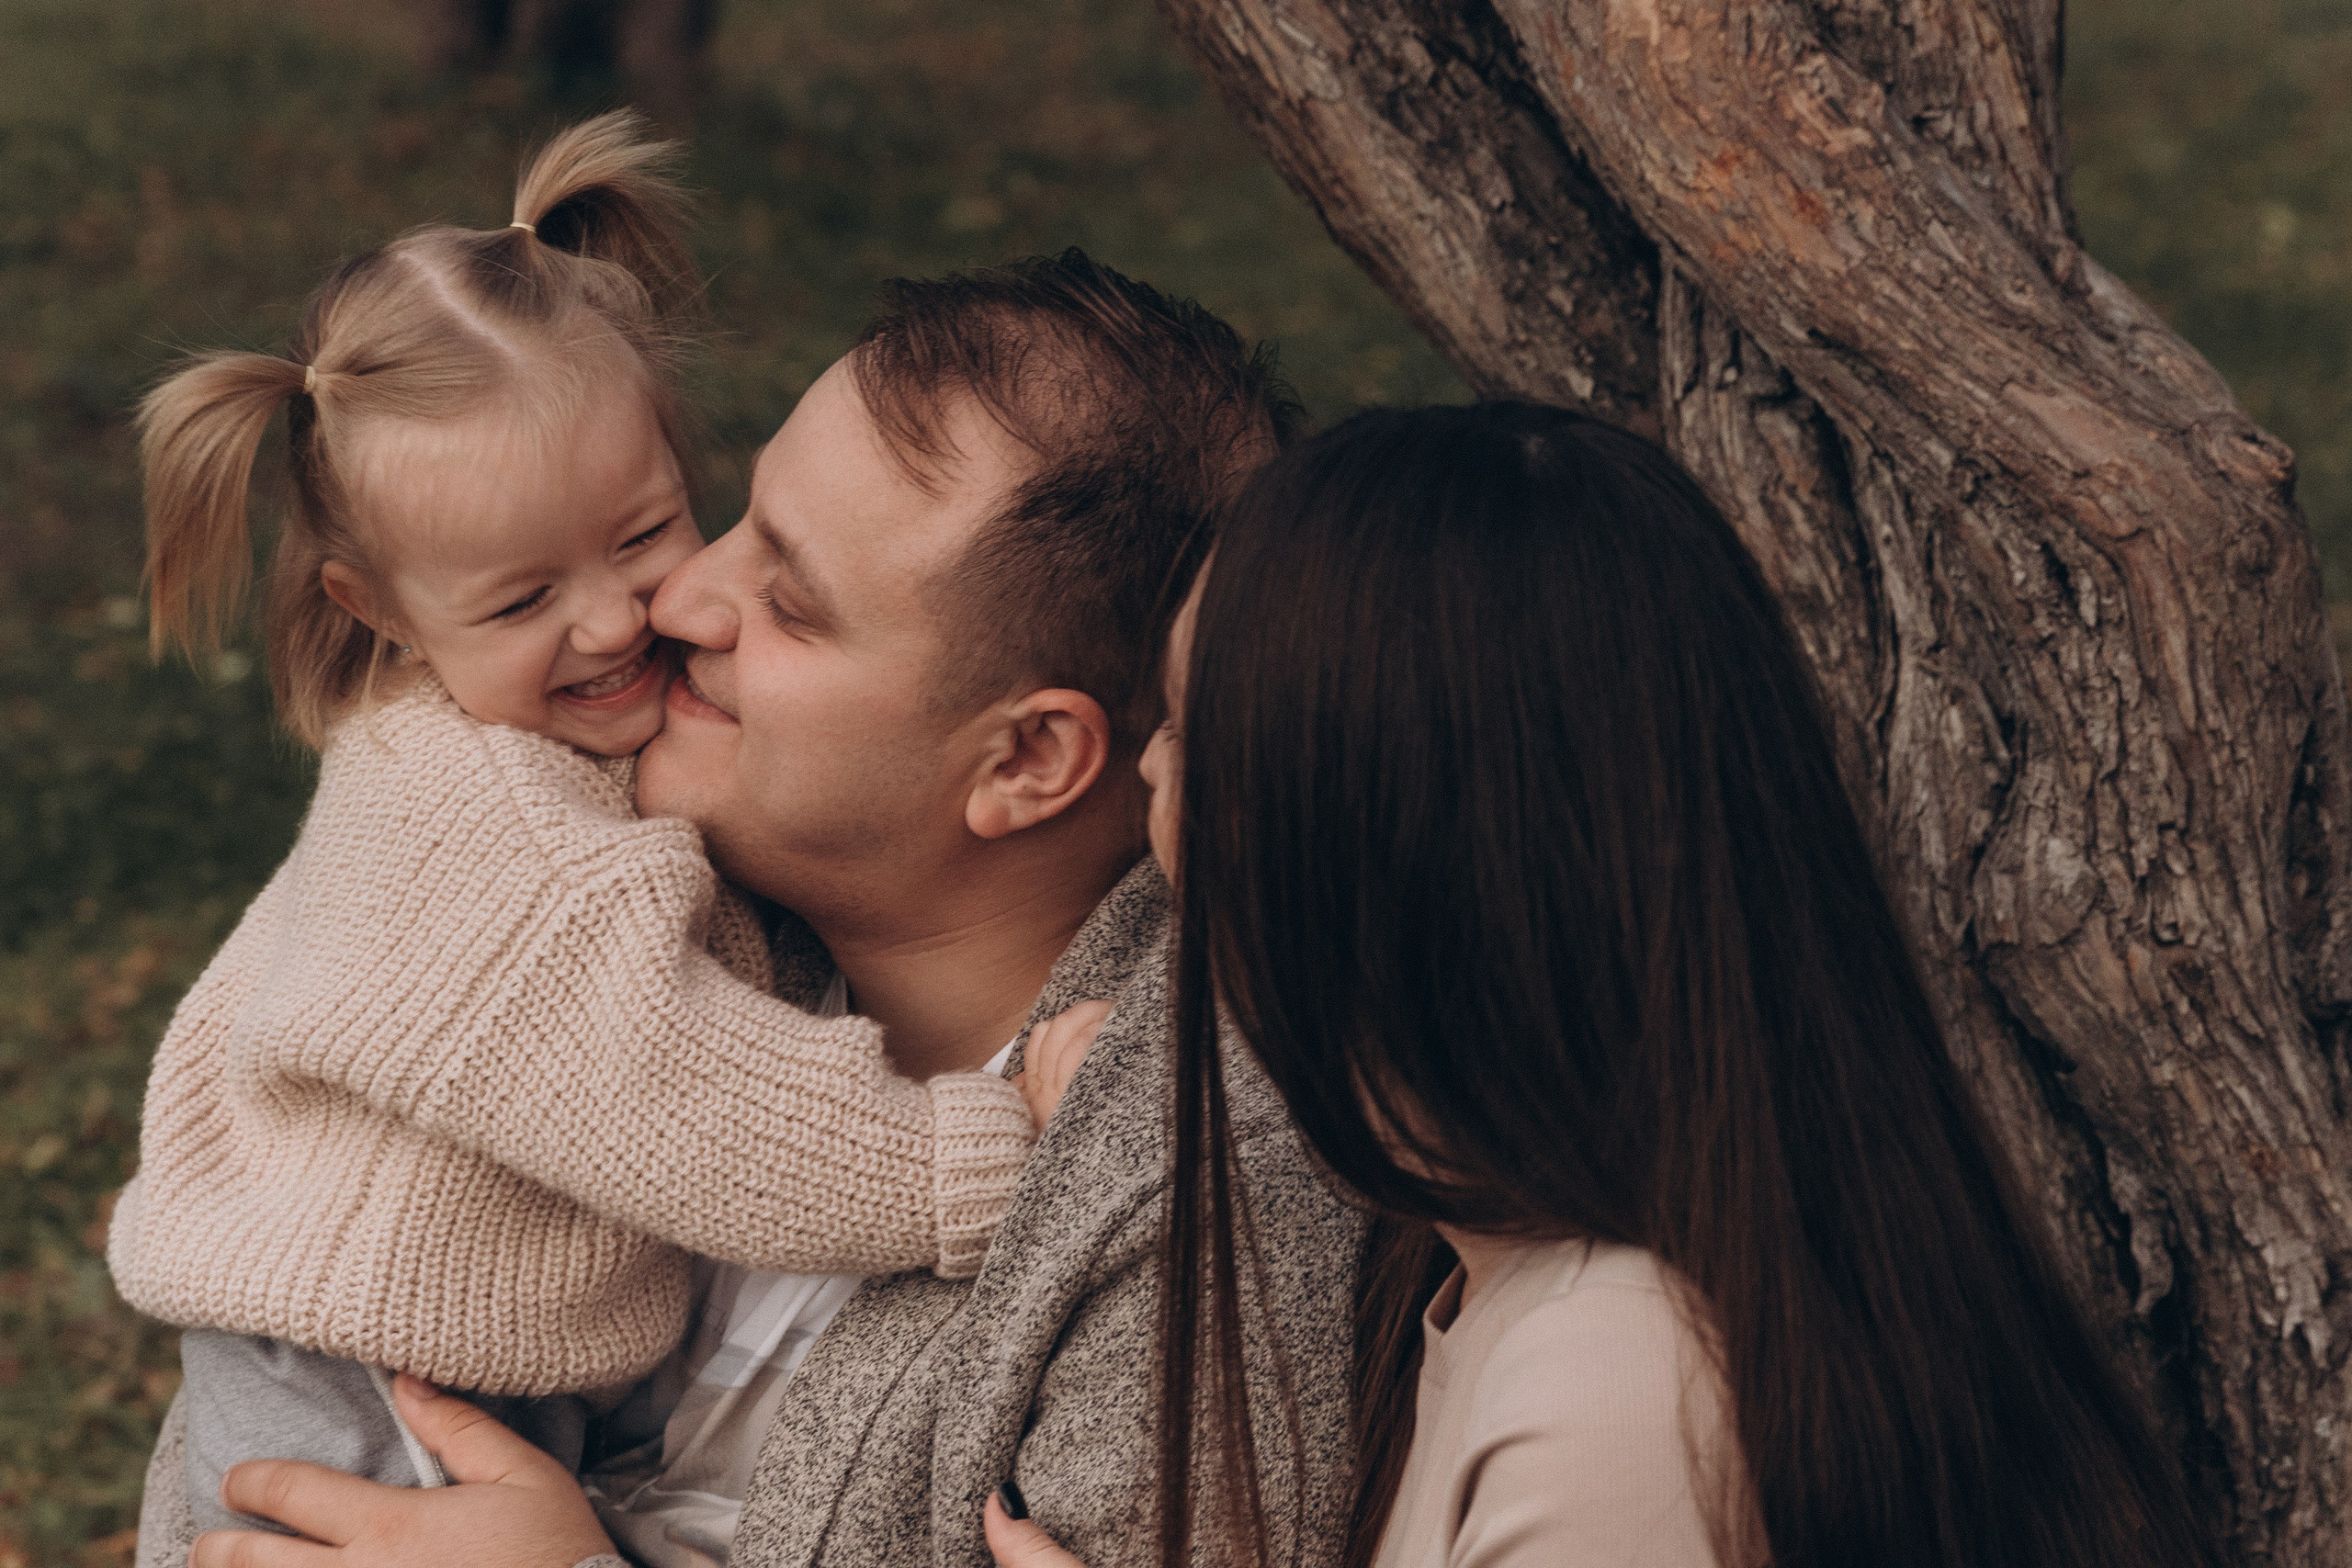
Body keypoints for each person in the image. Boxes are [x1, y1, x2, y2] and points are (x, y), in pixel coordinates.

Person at [138, 252, 1365, 1568]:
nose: (673, 603)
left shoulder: (1186, 1212)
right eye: (735, 521)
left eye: (787, 599)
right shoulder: (597, 876)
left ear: (1025, 762)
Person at [984, 403, 2224, 1568]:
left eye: (1199, 733)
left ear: (1369, 844)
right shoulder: (1510, 1258)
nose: (1150, 770)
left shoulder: (1613, 1391)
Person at [112, 111, 1075, 1545]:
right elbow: (698, 1109)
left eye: (641, 534)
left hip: (423, 1357)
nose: (616, 617)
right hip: (381, 1386)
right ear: (375, 612)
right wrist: (988, 1159)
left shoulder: (494, 755)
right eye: (518, 602)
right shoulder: (505, 841)